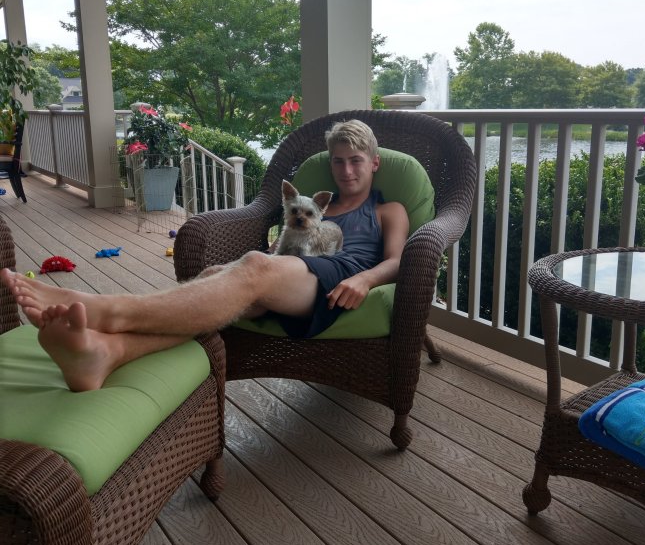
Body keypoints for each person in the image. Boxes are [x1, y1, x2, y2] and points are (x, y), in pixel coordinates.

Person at [0, 120, 409, 393]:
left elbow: (397, 260)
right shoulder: (313, 206)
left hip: (339, 278)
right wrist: (274, 258)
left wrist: (364, 279)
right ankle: (106, 355)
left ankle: (110, 311)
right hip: (300, 275)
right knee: (216, 274)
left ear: (374, 163)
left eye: (356, 161)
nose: (346, 170)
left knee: (252, 266)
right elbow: (285, 244)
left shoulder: (387, 210)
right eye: (339, 161)